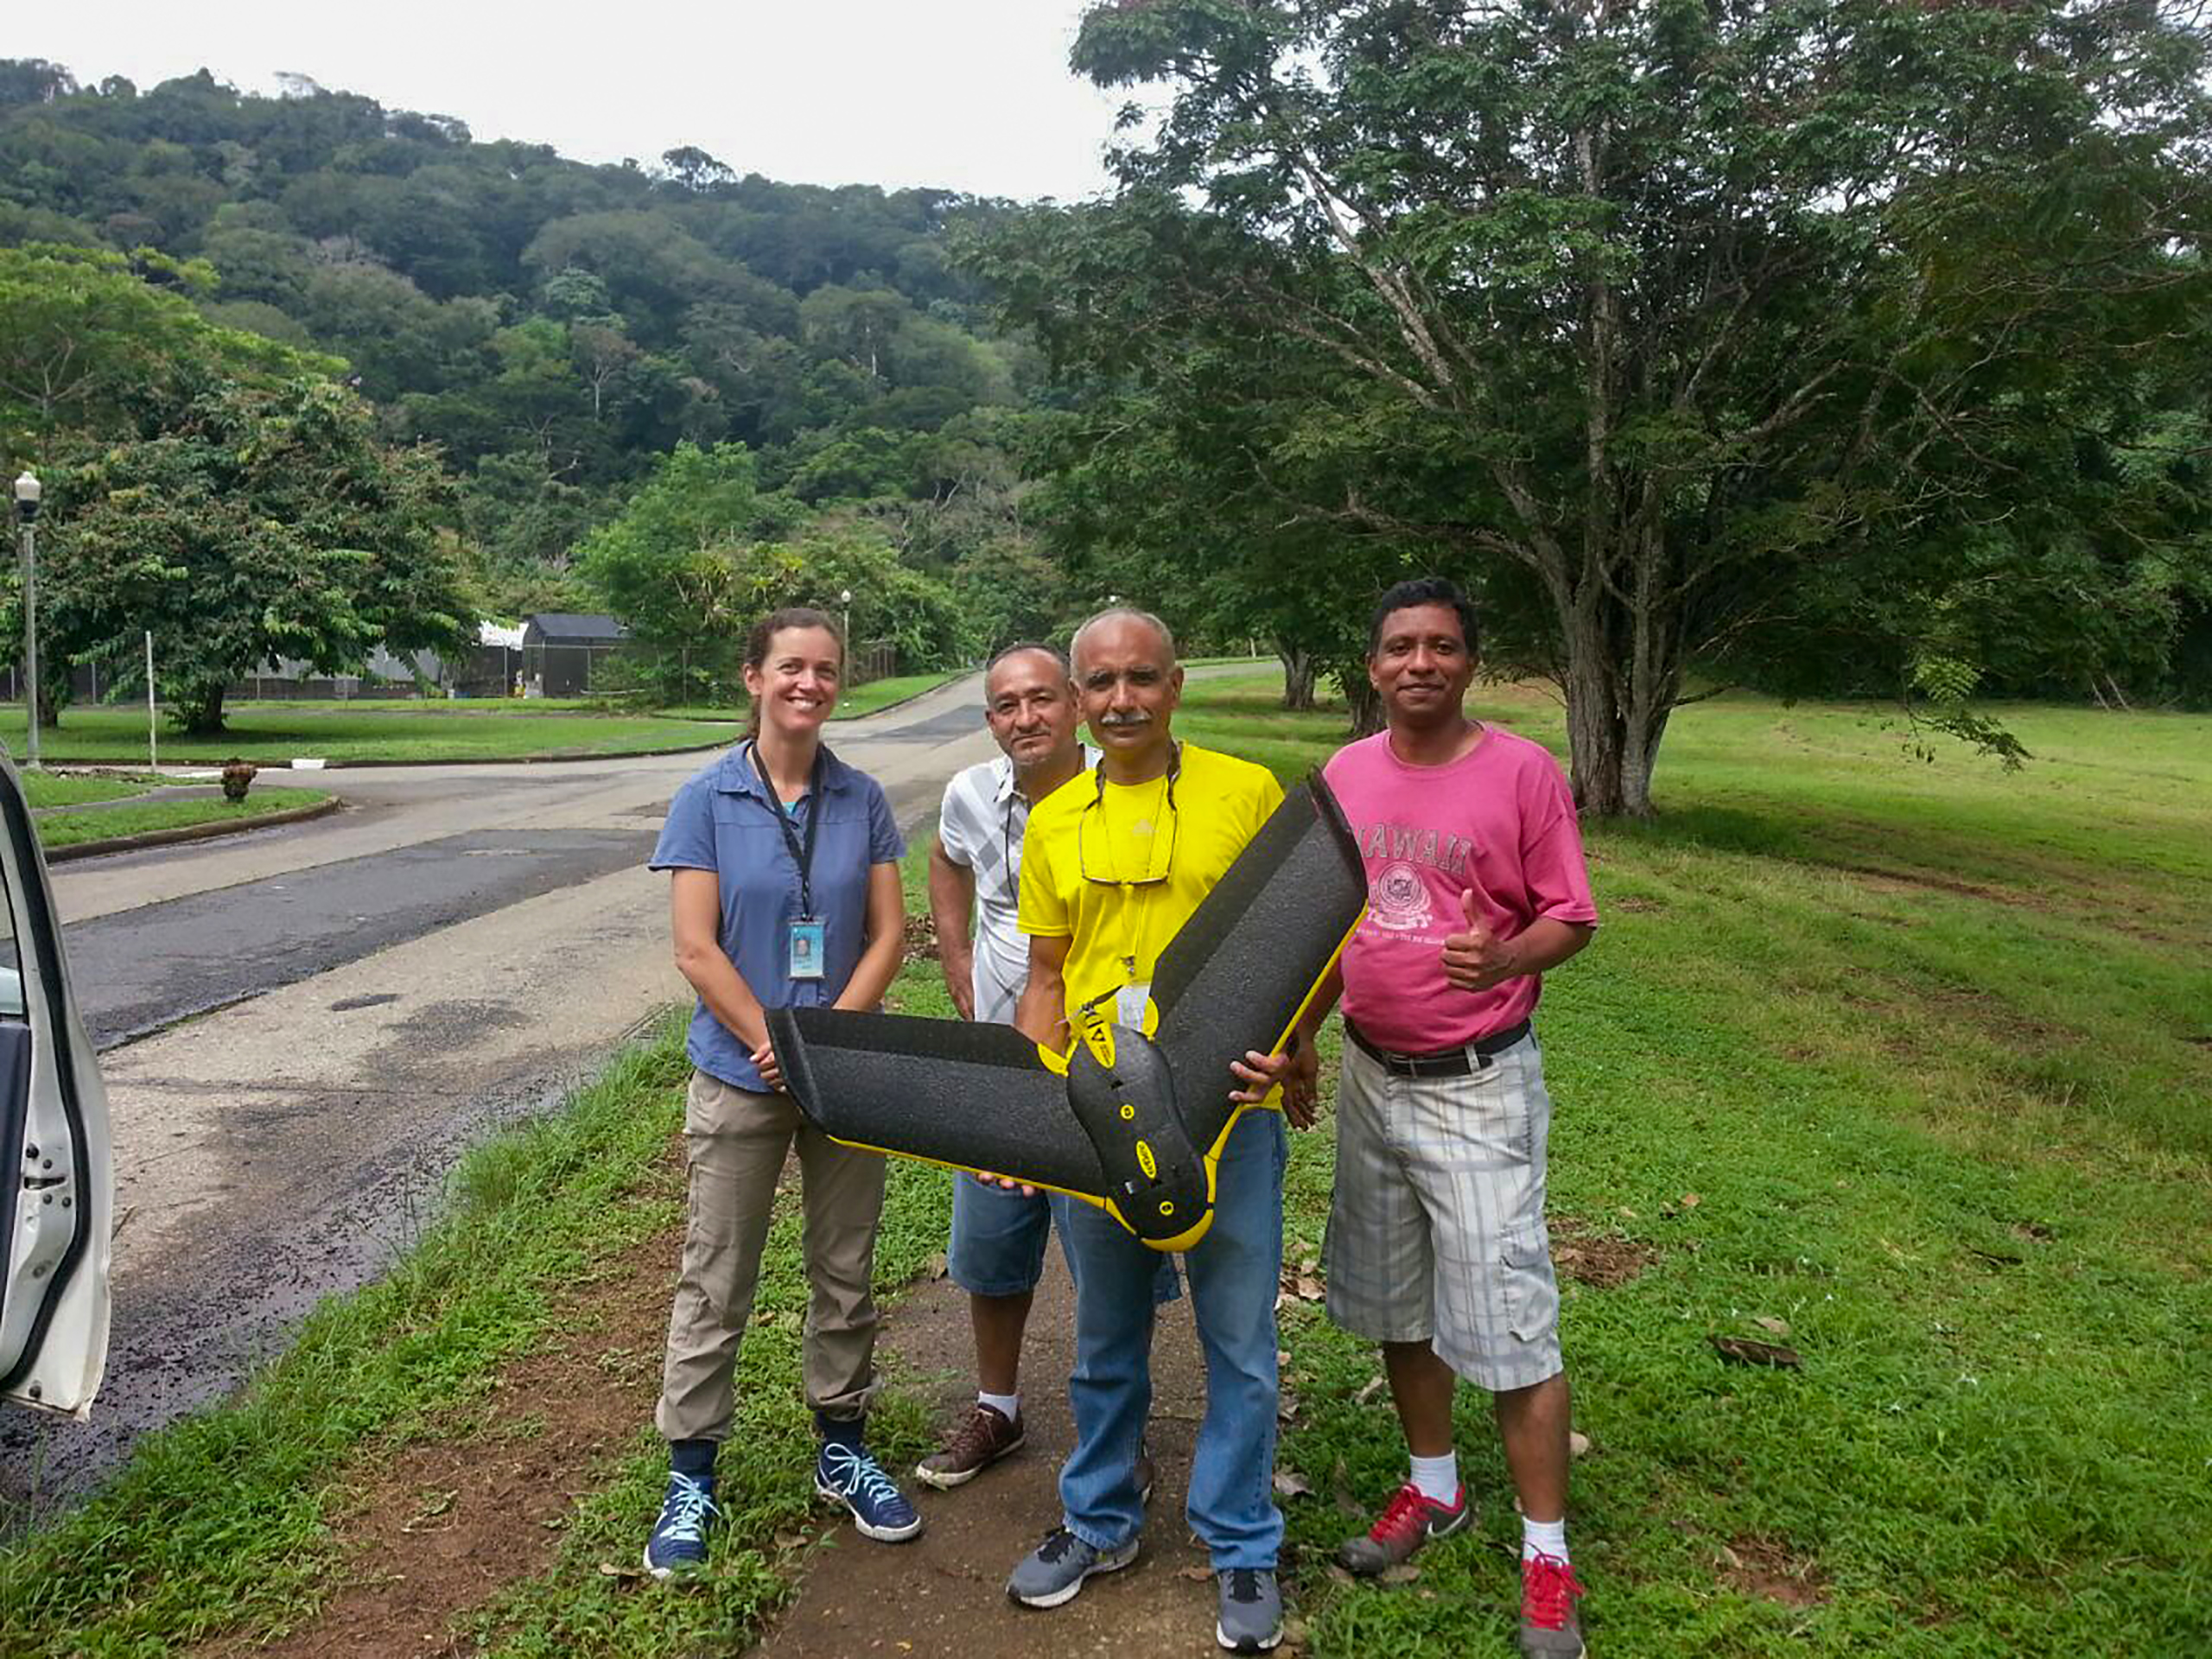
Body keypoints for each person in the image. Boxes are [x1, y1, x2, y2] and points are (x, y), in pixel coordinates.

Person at [1238, 577, 1598, 1657]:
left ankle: (1546, 1555)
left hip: (1478, 1082)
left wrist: (1508, 952)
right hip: (1369, 1078)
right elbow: (1323, 929)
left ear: (1469, 662)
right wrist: (1301, 1036)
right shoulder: (1345, 775)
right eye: (1400, 647)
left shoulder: (1522, 772)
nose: (1419, 664)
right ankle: (1432, 1488)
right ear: (1373, 665)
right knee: (1400, 1300)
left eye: (1441, 646)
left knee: (1509, 1314)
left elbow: (1571, 918)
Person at [1005, 609, 1299, 1656]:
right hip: (1095, 1111)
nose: (1120, 699)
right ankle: (1100, 1521)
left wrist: (1295, 1045)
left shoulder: (1246, 793)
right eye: (1100, 683)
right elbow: (1045, 976)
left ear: (1175, 686)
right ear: (1079, 699)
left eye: (1140, 678)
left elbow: (1295, 943)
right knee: (1103, 1341)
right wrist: (1024, 1118)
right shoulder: (1051, 819)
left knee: (1239, 1343)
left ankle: (1240, 1540)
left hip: (1224, 1113)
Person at [640, 606, 922, 1579]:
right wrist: (776, 1043)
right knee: (715, 1275)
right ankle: (692, 1474)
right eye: (791, 667)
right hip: (740, 1076)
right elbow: (694, 946)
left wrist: (827, 1041)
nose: (810, 683)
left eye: (827, 670)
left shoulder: (864, 797)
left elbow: (889, 933)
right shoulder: (706, 798)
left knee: (845, 1268)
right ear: (752, 678)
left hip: (845, 1076)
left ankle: (841, 1445)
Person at [921, 641, 1170, 1491]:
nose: (1024, 719)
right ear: (990, 720)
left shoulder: (1126, 791)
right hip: (1002, 1060)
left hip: (1110, 1070)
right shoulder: (967, 797)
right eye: (1004, 706)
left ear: (1071, 704)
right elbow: (946, 859)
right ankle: (999, 1406)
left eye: (1039, 700)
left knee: (1115, 1258)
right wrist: (953, 953)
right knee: (990, 1248)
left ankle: (1121, 1428)